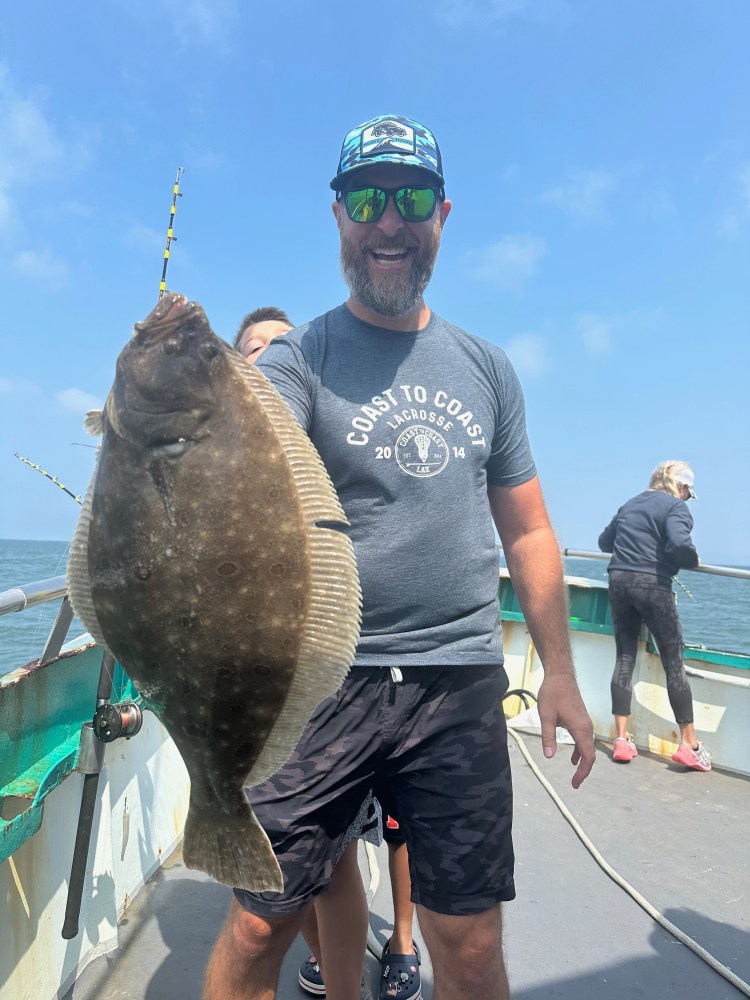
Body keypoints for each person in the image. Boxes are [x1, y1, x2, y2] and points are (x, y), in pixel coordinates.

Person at [203, 113, 595, 1000]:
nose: (389, 220)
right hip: (321, 684)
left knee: (470, 945)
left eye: (410, 197)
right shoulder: (299, 359)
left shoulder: (487, 368)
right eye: (367, 198)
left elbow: (528, 530)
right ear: (338, 216)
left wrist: (561, 674)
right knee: (261, 922)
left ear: (443, 215)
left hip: (456, 684)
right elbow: (241, 469)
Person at [236, 306, 419, 999]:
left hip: (346, 676)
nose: (268, 359)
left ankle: (393, 943)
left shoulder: (330, 426)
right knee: (292, 859)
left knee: (344, 846)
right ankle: (335, 961)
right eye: (252, 349)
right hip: (257, 678)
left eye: (283, 347)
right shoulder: (225, 442)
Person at [598, 460, 711, 771]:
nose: (687, 499)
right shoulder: (676, 508)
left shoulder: (630, 504)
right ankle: (689, 744)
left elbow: (605, 542)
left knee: (624, 658)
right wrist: (692, 558)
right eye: (688, 493)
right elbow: (679, 544)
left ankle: (622, 738)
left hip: (619, 581)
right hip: (652, 586)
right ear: (682, 487)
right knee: (673, 662)